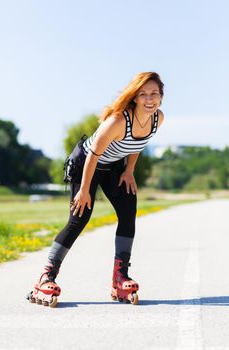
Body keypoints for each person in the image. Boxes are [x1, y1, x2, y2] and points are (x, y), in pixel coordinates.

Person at [27, 72, 164, 307]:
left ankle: (119, 278)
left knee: (128, 212)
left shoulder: (157, 118)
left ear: (161, 96)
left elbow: (138, 144)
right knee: (79, 217)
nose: (149, 99)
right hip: (87, 163)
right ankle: (45, 277)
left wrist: (129, 170)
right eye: (143, 94)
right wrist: (84, 191)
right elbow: (93, 154)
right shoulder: (119, 120)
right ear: (135, 97)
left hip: (114, 166)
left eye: (154, 94)